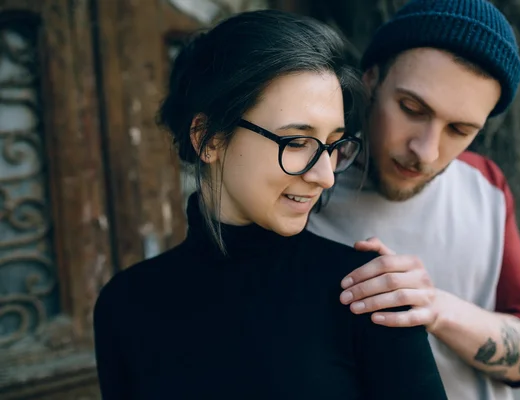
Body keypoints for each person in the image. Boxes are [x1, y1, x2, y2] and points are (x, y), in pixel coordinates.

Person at [93, 9, 447, 400]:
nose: (326, 176)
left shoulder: (369, 296)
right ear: (208, 138)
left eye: (333, 145)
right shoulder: (125, 305)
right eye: (296, 142)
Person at [307, 1, 520, 399]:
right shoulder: (303, 186)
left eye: (459, 130)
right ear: (371, 79)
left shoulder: (485, 186)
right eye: (411, 109)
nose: (425, 151)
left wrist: (436, 309)